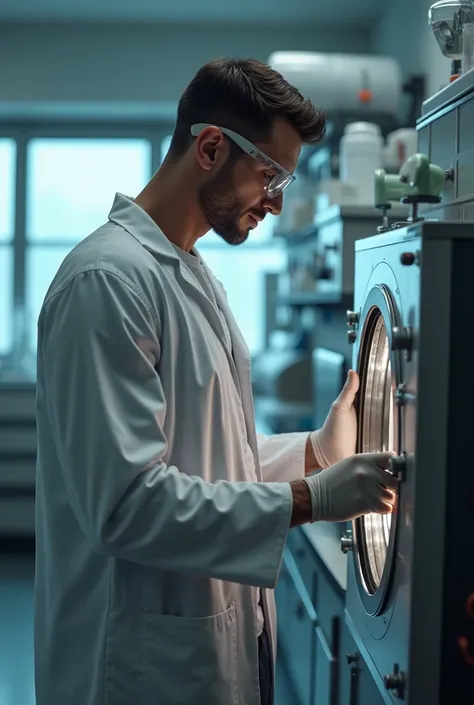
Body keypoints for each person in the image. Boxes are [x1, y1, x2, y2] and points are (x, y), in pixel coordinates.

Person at [34, 57, 397, 705]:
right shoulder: (107, 282)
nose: (278, 201)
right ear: (209, 148)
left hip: (207, 643)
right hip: (133, 665)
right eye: (271, 174)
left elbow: (207, 461)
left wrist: (315, 449)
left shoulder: (193, 276)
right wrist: (308, 498)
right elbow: (125, 504)